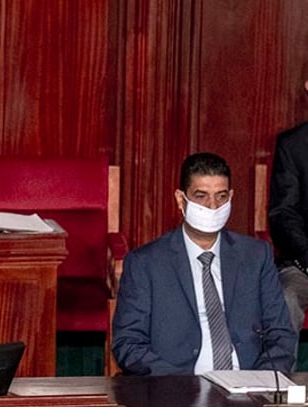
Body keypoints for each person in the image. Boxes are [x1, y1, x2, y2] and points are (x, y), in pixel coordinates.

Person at [112, 153, 296, 375]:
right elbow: (128, 343)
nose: (212, 206)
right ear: (181, 199)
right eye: (201, 196)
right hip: (178, 390)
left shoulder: (255, 256)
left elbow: (281, 333)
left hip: (248, 386)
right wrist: (182, 385)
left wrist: (259, 381)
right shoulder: (146, 263)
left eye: (221, 196)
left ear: (231, 197)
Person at [269, 81, 308, 329]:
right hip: (303, 263)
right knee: (285, 297)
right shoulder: (292, 146)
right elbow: (283, 213)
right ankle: (281, 369)